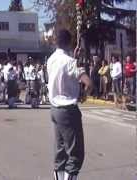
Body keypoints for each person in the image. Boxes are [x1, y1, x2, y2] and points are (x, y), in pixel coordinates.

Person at [47, 29, 92, 180]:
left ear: (56, 42)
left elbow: (64, 71)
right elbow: (89, 83)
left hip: (55, 109)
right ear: (69, 42)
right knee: (76, 154)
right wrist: (84, 93)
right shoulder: (70, 62)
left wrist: (74, 57)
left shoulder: (51, 59)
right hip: (68, 110)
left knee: (60, 151)